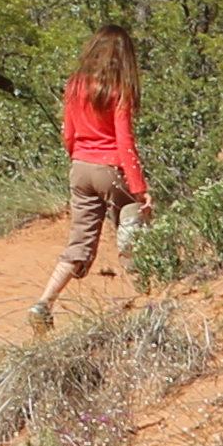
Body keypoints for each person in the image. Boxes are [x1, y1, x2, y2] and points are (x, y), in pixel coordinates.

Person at [31, 21, 150, 332]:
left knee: (80, 244)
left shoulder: (75, 85)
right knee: (134, 227)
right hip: (112, 168)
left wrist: (79, 157)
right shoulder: (118, 89)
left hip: (80, 168)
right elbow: (125, 141)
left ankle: (44, 302)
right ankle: (149, 295)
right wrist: (139, 188)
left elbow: (68, 133)